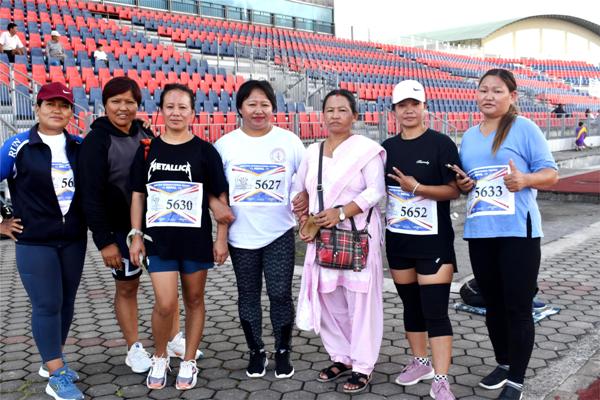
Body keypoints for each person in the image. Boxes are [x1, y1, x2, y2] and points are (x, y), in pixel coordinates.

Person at [79, 77, 198, 375]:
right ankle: (134, 347)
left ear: (138, 104)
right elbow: (90, 195)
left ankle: (172, 339)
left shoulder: (144, 133)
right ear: (104, 104)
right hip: (118, 232)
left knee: (165, 288)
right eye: (116, 102)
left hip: (156, 227)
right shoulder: (96, 141)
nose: (123, 108)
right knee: (128, 287)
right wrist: (105, 241)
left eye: (129, 102)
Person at [454, 68, 558, 400]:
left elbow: (551, 173)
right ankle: (502, 362)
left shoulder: (524, 128)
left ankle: (516, 380)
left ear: (512, 96)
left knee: (517, 305)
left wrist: (526, 180)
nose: (488, 96)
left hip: (518, 231)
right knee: (493, 305)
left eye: (497, 91)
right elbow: (467, 181)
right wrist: (463, 185)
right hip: (480, 231)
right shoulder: (469, 136)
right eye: (483, 90)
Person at [129, 83, 231, 390]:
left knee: (195, 299)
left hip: (196, 240)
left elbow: (220, 198)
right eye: (169, 106)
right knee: (165, 303)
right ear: (160, 111)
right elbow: (137, 195)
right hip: (158, 241)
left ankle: (189, 360)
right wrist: (135, 235)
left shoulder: (205, 151)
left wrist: (221, 237)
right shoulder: (147, 149)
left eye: (182, 107)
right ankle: (160, 356)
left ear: (193, 112)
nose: (175, 112)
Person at [295, 89, 386, 394]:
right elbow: (300, 191)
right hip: (323, 238)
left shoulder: (367, 150)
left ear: (355, 116)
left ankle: (362, 365)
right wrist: (301, 212)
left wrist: (341, 213)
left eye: (342, 110)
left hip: (357, 236)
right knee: (328, 297)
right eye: (329, 110)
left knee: (360, 301)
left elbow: (375, 191)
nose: (335, 115)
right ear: (322, 116)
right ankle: (341, 356)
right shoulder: (312, 152)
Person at [214, 80, 306, 379]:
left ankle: (283, 351)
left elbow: (303, 185)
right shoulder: (226, 145)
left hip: (279, 232)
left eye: (265, 104)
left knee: (280, 293)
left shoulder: (290, 141)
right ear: (240, 107)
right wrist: (222, 238)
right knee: (248, 295)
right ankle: (256, 352)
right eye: (252, 104)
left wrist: (307, 218)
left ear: (273, 108)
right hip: (241, 236)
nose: (258, 110)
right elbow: (218, 194)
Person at [0, 83, 87, 400]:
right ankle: (57, 376)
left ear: (70, 113)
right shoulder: (17, 144)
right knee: (47, 305)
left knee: (65, 304)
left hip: (74, 240)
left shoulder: (78, 145)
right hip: (35, 242)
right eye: (49, 104)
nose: (56, 110)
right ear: (37, 108)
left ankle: (53, 361)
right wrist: (1, 223)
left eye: (63, 106)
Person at [383, 80, 460, 400]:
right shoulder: (386, 147)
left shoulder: (441, 144)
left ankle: (441, 379)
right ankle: (420, 362)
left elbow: (454, 190)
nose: (409, 110)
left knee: (435, 310)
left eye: (415, 104)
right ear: (394, 111)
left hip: (434, 242)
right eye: (403, 105)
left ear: (425, 107)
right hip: (399, 241)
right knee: (411, 306)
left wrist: (417, 188)